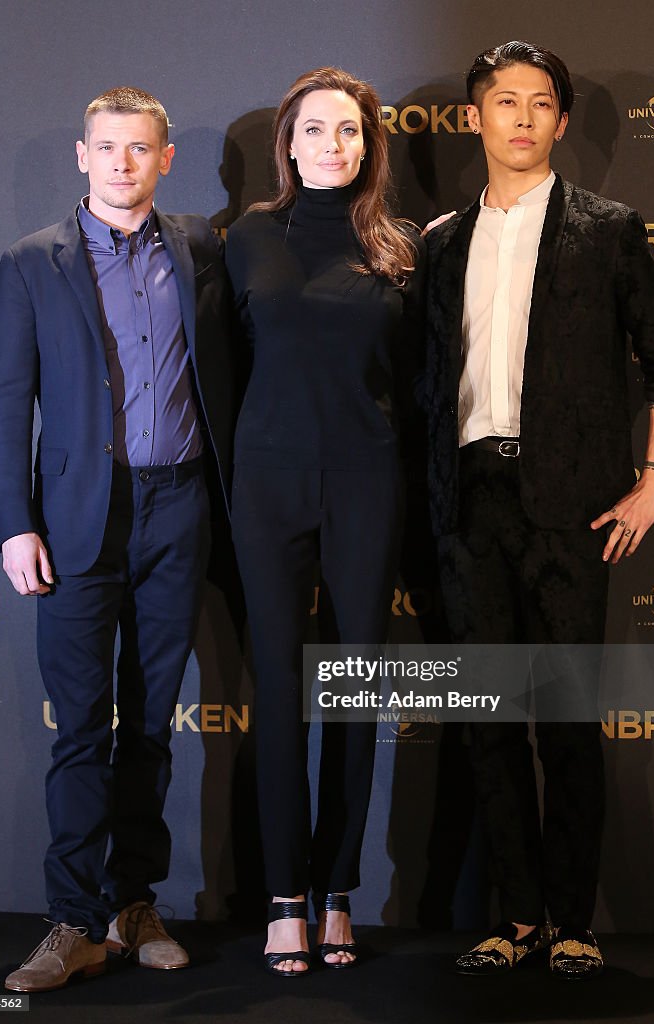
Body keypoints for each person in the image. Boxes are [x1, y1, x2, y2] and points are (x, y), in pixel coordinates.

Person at [424, 41, 654, 979]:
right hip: (470, 507)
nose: (523, 118)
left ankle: (572, 920)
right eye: (505, 102)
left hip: (573, 507)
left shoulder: (607, 228)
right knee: (490, 722)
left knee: (569, 719)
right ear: (475, 119)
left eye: (541, 103)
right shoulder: (439, 241)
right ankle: (513, 918)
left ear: (562, 122)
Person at [0, 87, 235, 992]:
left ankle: (135, 904)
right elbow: (9, 400)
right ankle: (72, 920)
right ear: (82, 158)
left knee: (153, 730)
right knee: (82, 729)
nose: (123, 162)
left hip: (179, 509)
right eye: (107, 147)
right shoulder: (32, 262)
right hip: (76, 517)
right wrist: (17, 523)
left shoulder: (200, 246)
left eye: (140, 148)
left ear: (164, 159)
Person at [225, 67, 425, 976]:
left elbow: (420, 390)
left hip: (365, 483)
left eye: (348, 131)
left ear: (368, 145)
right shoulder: (247, 238)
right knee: (278, 691)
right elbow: (220, 372)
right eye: (313, 130)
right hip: (265, 486)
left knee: (349, 693)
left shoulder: (396, 246)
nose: (330, 146)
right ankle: (281, 900)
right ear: (289, 143)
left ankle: (338, 889)